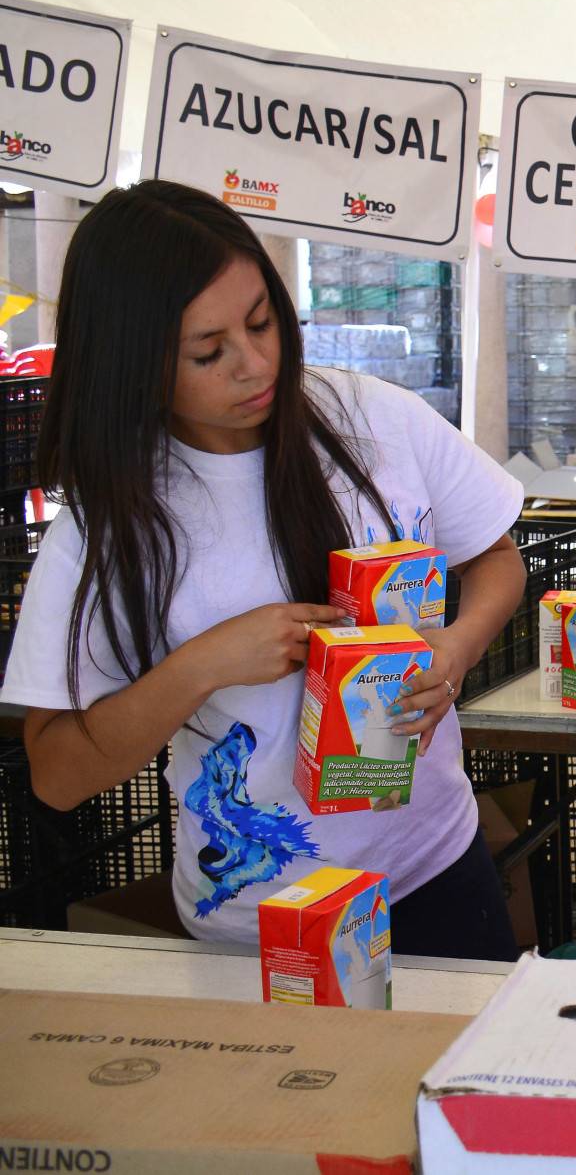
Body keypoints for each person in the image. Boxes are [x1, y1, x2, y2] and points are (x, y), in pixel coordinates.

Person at [6, 180, 528, 957]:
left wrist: (457, 647)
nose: (255, 365)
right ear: (132, 362)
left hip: (433, 870)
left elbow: (496, 556)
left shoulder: (371, 417)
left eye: (262, 323)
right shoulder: (111, 520)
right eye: (208, 352)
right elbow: (56, 771)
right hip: (261, 923)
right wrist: (204, 664)